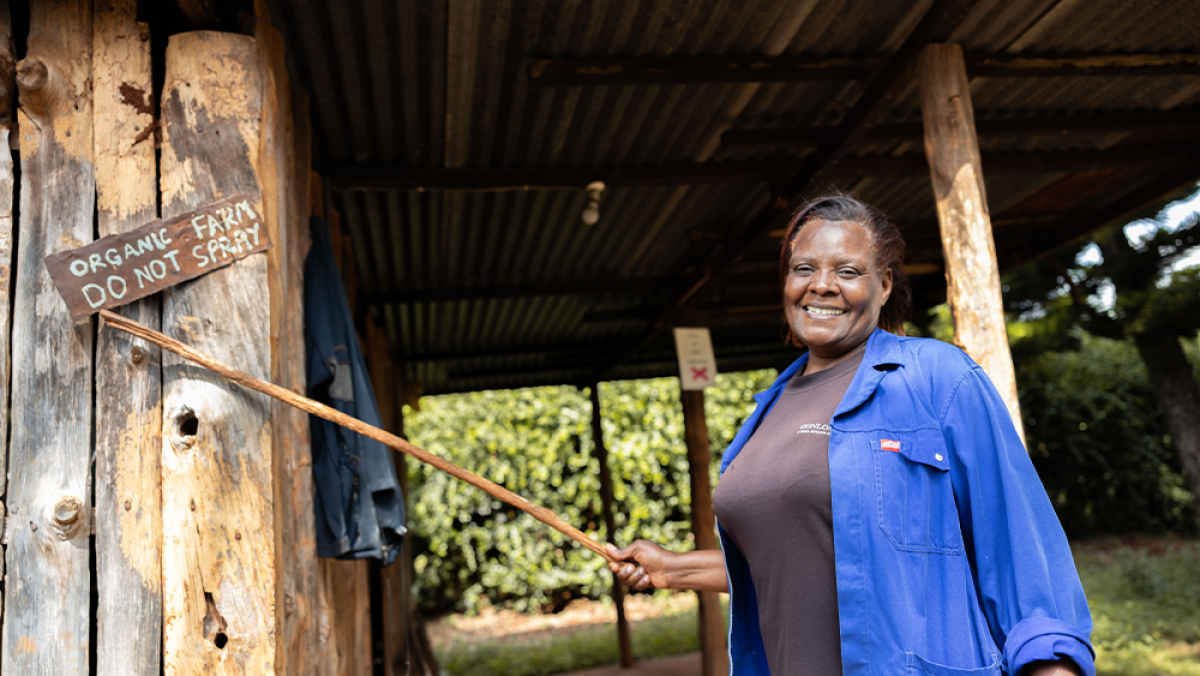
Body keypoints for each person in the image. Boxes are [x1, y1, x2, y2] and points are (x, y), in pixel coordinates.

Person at [607, 195, 1094, 676]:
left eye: (847, 271)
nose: (821, 285)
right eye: (803, 269)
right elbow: (797, 562)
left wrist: (1053, 667)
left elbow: (1021, 551)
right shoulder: (766, 411)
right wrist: (673, 568)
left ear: (884, 286)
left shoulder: (938, 378)